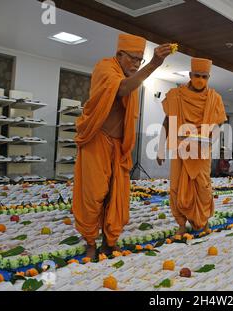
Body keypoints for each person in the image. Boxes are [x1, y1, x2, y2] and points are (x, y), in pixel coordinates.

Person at [73, 34, 172, 259]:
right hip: (97, 140)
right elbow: (122, 89)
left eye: (141, 60)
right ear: (119, 55)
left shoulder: (132, 77)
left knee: (117, 195)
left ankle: (110, 240)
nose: (137, 64)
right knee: (94, 193)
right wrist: (154, 65)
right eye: (134, 59)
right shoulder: (105, 68)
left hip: (119, 146)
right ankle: (90, 239)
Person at [157, 57, 227, 235]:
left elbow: (218, 126)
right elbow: (167, 121)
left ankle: (203, 222)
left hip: (202, 150)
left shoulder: (215, 98)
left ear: (209, 77)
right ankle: (181, 223)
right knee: (177, 186)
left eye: (204, 77)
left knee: (203, 186)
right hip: (180, 150)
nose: (200, 80)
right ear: (190, 74)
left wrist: (211, 142)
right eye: (197, 75)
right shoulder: (175, 95)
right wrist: (160, 147)